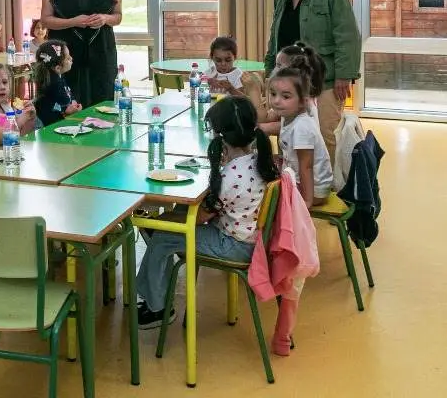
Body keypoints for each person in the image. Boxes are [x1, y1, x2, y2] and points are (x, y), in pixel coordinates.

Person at [136, 96, 279, 328]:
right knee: (169, 223)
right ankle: (156, 290)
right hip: (251, 239)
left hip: (233, 246)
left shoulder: (230, 177)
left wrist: (163, 220)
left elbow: (202, 216)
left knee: (163, 237)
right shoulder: (258, 160)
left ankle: (157, 308)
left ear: (220, 135)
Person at [264, 0, 361, 163]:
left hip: (323, 78)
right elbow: (274, 36)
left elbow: (347, 35)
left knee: (325, 132)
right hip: (288, 79)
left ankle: (328, 188)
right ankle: (291, 184)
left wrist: (344, 75)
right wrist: (270, 70)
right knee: (287, 132)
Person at [268, 67, 333, 208]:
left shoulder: (301, 127)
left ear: (303, 101)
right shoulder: (289, 116)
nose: (276, 101)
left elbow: (306, 166)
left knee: (264, 194)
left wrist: (307, 201)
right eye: (273, 94)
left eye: (285, 96)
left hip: (314, 190)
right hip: (303, 180)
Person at [259, 42, 326, 134]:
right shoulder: (292, 97)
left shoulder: (305, 105)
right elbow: (266, 118)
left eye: (279, 65)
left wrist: (253, 91)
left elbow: (272, 125)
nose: (274, 70)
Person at [32, 40, 81, 126]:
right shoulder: (55, 83)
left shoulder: (56, 76)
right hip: (50, 125)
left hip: (52, 120)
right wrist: (72, 108)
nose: (71, 58)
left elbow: (67, 93)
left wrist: (72, 101)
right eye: (68, 58)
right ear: (58, 68)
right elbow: (66, 106)